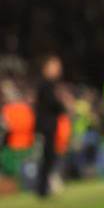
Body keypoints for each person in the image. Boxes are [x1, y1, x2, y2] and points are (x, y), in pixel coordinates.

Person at [33, 55, 68, 198]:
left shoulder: (50, 84)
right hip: (45, 125)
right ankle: (42, 187)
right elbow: (52, 103)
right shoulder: (45, 84)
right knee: (47, 156)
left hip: (49, 124)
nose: (58, 69)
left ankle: (44, 186)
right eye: (55, 66)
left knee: (50, 156)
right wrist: (62, 107)